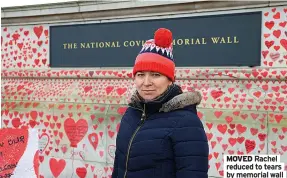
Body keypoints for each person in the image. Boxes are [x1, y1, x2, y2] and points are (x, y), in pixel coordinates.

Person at [112, 28, 209, 178]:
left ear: (170, 80)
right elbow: (119, 166)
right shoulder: (132, 113)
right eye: (140, 75)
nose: (146, 83)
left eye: (156, 75)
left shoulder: (186, 122)